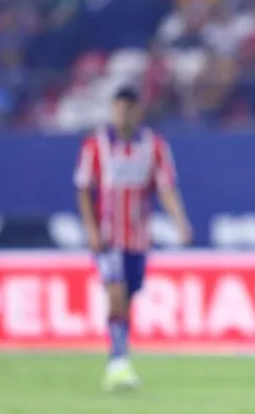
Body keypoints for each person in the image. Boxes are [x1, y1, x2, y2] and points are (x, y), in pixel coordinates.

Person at [73, 86, 193, 391]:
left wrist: (180, 221)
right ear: (113, 110)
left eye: (129, 108)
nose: (123, 114)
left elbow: (165, 187)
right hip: (109, 236)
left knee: (128, 296)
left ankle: (120, 355)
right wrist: (91, 229)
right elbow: (85, 189)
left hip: (139, 238)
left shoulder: (154, 146)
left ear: (138, 110)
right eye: (119, 108)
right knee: (115, 291)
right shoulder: (96, 145)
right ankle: (118, 362)